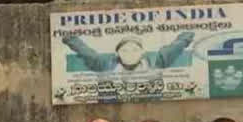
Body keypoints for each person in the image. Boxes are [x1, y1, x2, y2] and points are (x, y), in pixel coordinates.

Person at [62, 32, 195, 73]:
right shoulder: (105, 65)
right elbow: (87, 53)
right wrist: (70, 39)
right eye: (124, 50)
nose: (129, 53)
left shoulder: (156, 61)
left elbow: (174, 48)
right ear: (117, 53)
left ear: (142, 52)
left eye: (135, 49)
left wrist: (186, 37)